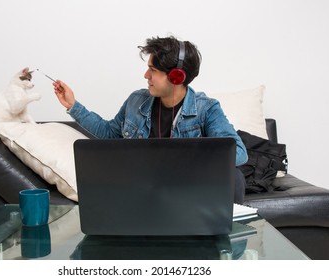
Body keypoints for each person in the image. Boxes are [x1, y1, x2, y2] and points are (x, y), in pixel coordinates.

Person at [53, 36, 248, 203]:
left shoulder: (207, 109)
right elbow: (109, 133)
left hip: (187, 188)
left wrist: (191, 159)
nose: (146, 75)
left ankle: (226, 243)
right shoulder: (136, 101)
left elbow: (239, 152)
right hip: (143, 186)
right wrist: (73, 105)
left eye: (153, 70)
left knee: (236, 177)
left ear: (176, 76)